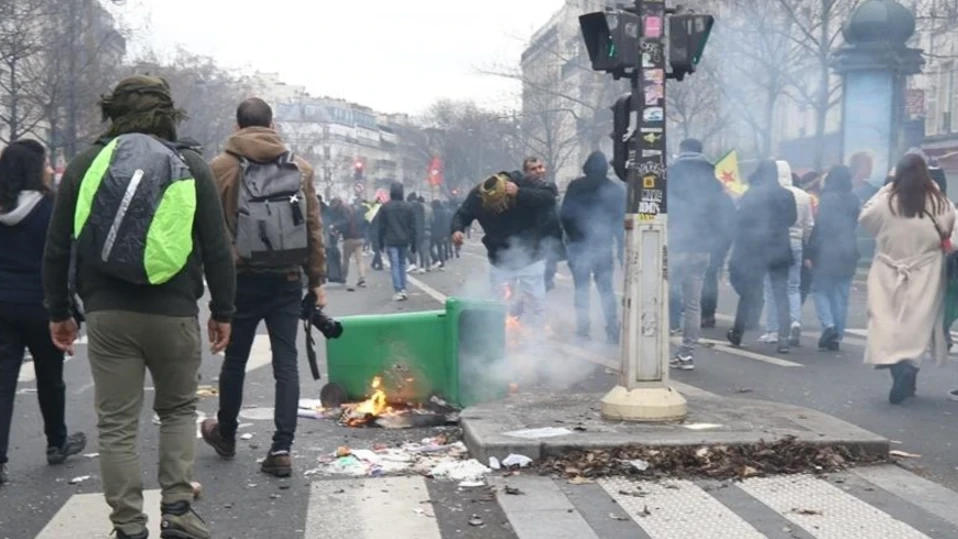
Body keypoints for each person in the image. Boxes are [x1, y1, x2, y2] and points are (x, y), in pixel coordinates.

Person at [43, 75, 236, 539]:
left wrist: (59, 311)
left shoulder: (87, 163)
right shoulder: (190, 163)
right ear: (167, 114)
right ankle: (178, 510)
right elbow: (217, 246)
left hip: (108, 313)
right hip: (174, 311)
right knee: (177, 410)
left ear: (113, 112)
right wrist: (223, 311)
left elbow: (57, 246)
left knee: (116, 425)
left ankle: (129, 525)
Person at [201, 97, 326, 479]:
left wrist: (212, 286)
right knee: (286, 362)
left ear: (236, 126)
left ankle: (226, 434)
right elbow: (313, 228)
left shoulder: (219, 168)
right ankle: (282, 448)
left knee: (235, 360)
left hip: (239, 280)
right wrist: (316, 281)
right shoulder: (300, 168)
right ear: (272, 125)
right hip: (286, 278)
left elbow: (209, 233)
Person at [0, 140, 86, 487]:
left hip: (2, 305)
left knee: (3, 383)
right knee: (50, 378)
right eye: (47, 163)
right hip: (41, 305)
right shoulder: (50, 208)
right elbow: (62, 261)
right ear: (35, 169)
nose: (51, 168)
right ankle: (56, 442)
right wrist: (68, 308)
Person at [859, 153, 955, 405]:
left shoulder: (888, 200)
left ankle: (896, 367)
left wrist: (887, 187)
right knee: (916, 324)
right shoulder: (939, 202)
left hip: (887, 269)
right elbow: (951, 234)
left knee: (885, 320)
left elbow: (866, 219)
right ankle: (909, 368)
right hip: (927, 269)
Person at [451, 171, 556, 327]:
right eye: (493, 205)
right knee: (499, 306)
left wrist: (520, 193)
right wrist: (457, 229)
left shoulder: (521, 182)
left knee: (536, 303)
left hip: (531, 255)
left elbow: (549, 196)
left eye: (501, 203)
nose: (499, 208)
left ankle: (537, 336)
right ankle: (501, 336)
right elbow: (462, 214)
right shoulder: (477, 196)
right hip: (499, 260)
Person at [666, 139, 725, 369]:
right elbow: (720, 216)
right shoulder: (712, 179)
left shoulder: (671, 174)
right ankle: (687, 354)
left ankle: (657, 349)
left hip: (676, 245)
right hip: (702, 247)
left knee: (663, 296)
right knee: (693, 304)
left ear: (681, 150)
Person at [727, 160, 797, 354]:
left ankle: (737, 333)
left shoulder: (751, 194)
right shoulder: (787, 194)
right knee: (781, 294)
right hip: (780, 248)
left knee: (748, 293)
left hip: (755, 250)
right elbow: (792, 220)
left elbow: (741, 221)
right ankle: (783, 339)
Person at [560, 151, 625, 344]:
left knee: (581, 289)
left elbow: (565, 215)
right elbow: (620, 221)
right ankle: (612, 330)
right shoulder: (614, 189)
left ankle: (583, 329)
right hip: (603, 246)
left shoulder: (575, 186)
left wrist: (573, 237)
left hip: (579, 245)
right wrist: (619, 245)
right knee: (606, 289)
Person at [805, 165, 860, 351]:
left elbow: (820, 227)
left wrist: (810, 252)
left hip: (827, 252)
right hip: (849, 250)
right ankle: (837, 336)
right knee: (841, 295)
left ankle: (828, 325)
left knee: (820, 290)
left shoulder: (827, 198)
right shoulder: (854, 198)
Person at [758, 161, 813, 347]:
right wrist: (806, 242)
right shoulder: (803, 195)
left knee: (771, 288)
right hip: (796, 243)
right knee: (793, 287)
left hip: (776, 242)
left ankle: (773, 329)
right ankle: (795, 321)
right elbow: (808, 223)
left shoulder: (767, 193)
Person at [523, 157, 564, 291]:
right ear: (526, 172)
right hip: (530, 238)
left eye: (540, 167)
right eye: (533, 169)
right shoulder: (522, 188)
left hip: (549, 235)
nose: (538, 171)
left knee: (548, 274)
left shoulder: (549, 187)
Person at [379, 182, 416, 300]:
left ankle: (398, 290)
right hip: (404, 240)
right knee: (402, 263)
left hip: (390, 240)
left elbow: (381, 226)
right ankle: (403, 288)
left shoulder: (385, 207)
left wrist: (380, 242)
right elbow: (413, 226)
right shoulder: (409, 207)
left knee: (394, 265)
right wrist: (413, 242)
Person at [337, 199, 367, 290]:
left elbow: (343, 226)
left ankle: (343, 278)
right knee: (360, 260)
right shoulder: (360, 214)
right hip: (360, 239)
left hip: (349, 239)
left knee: (346, 260)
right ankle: (362, 278)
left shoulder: (346, 216)